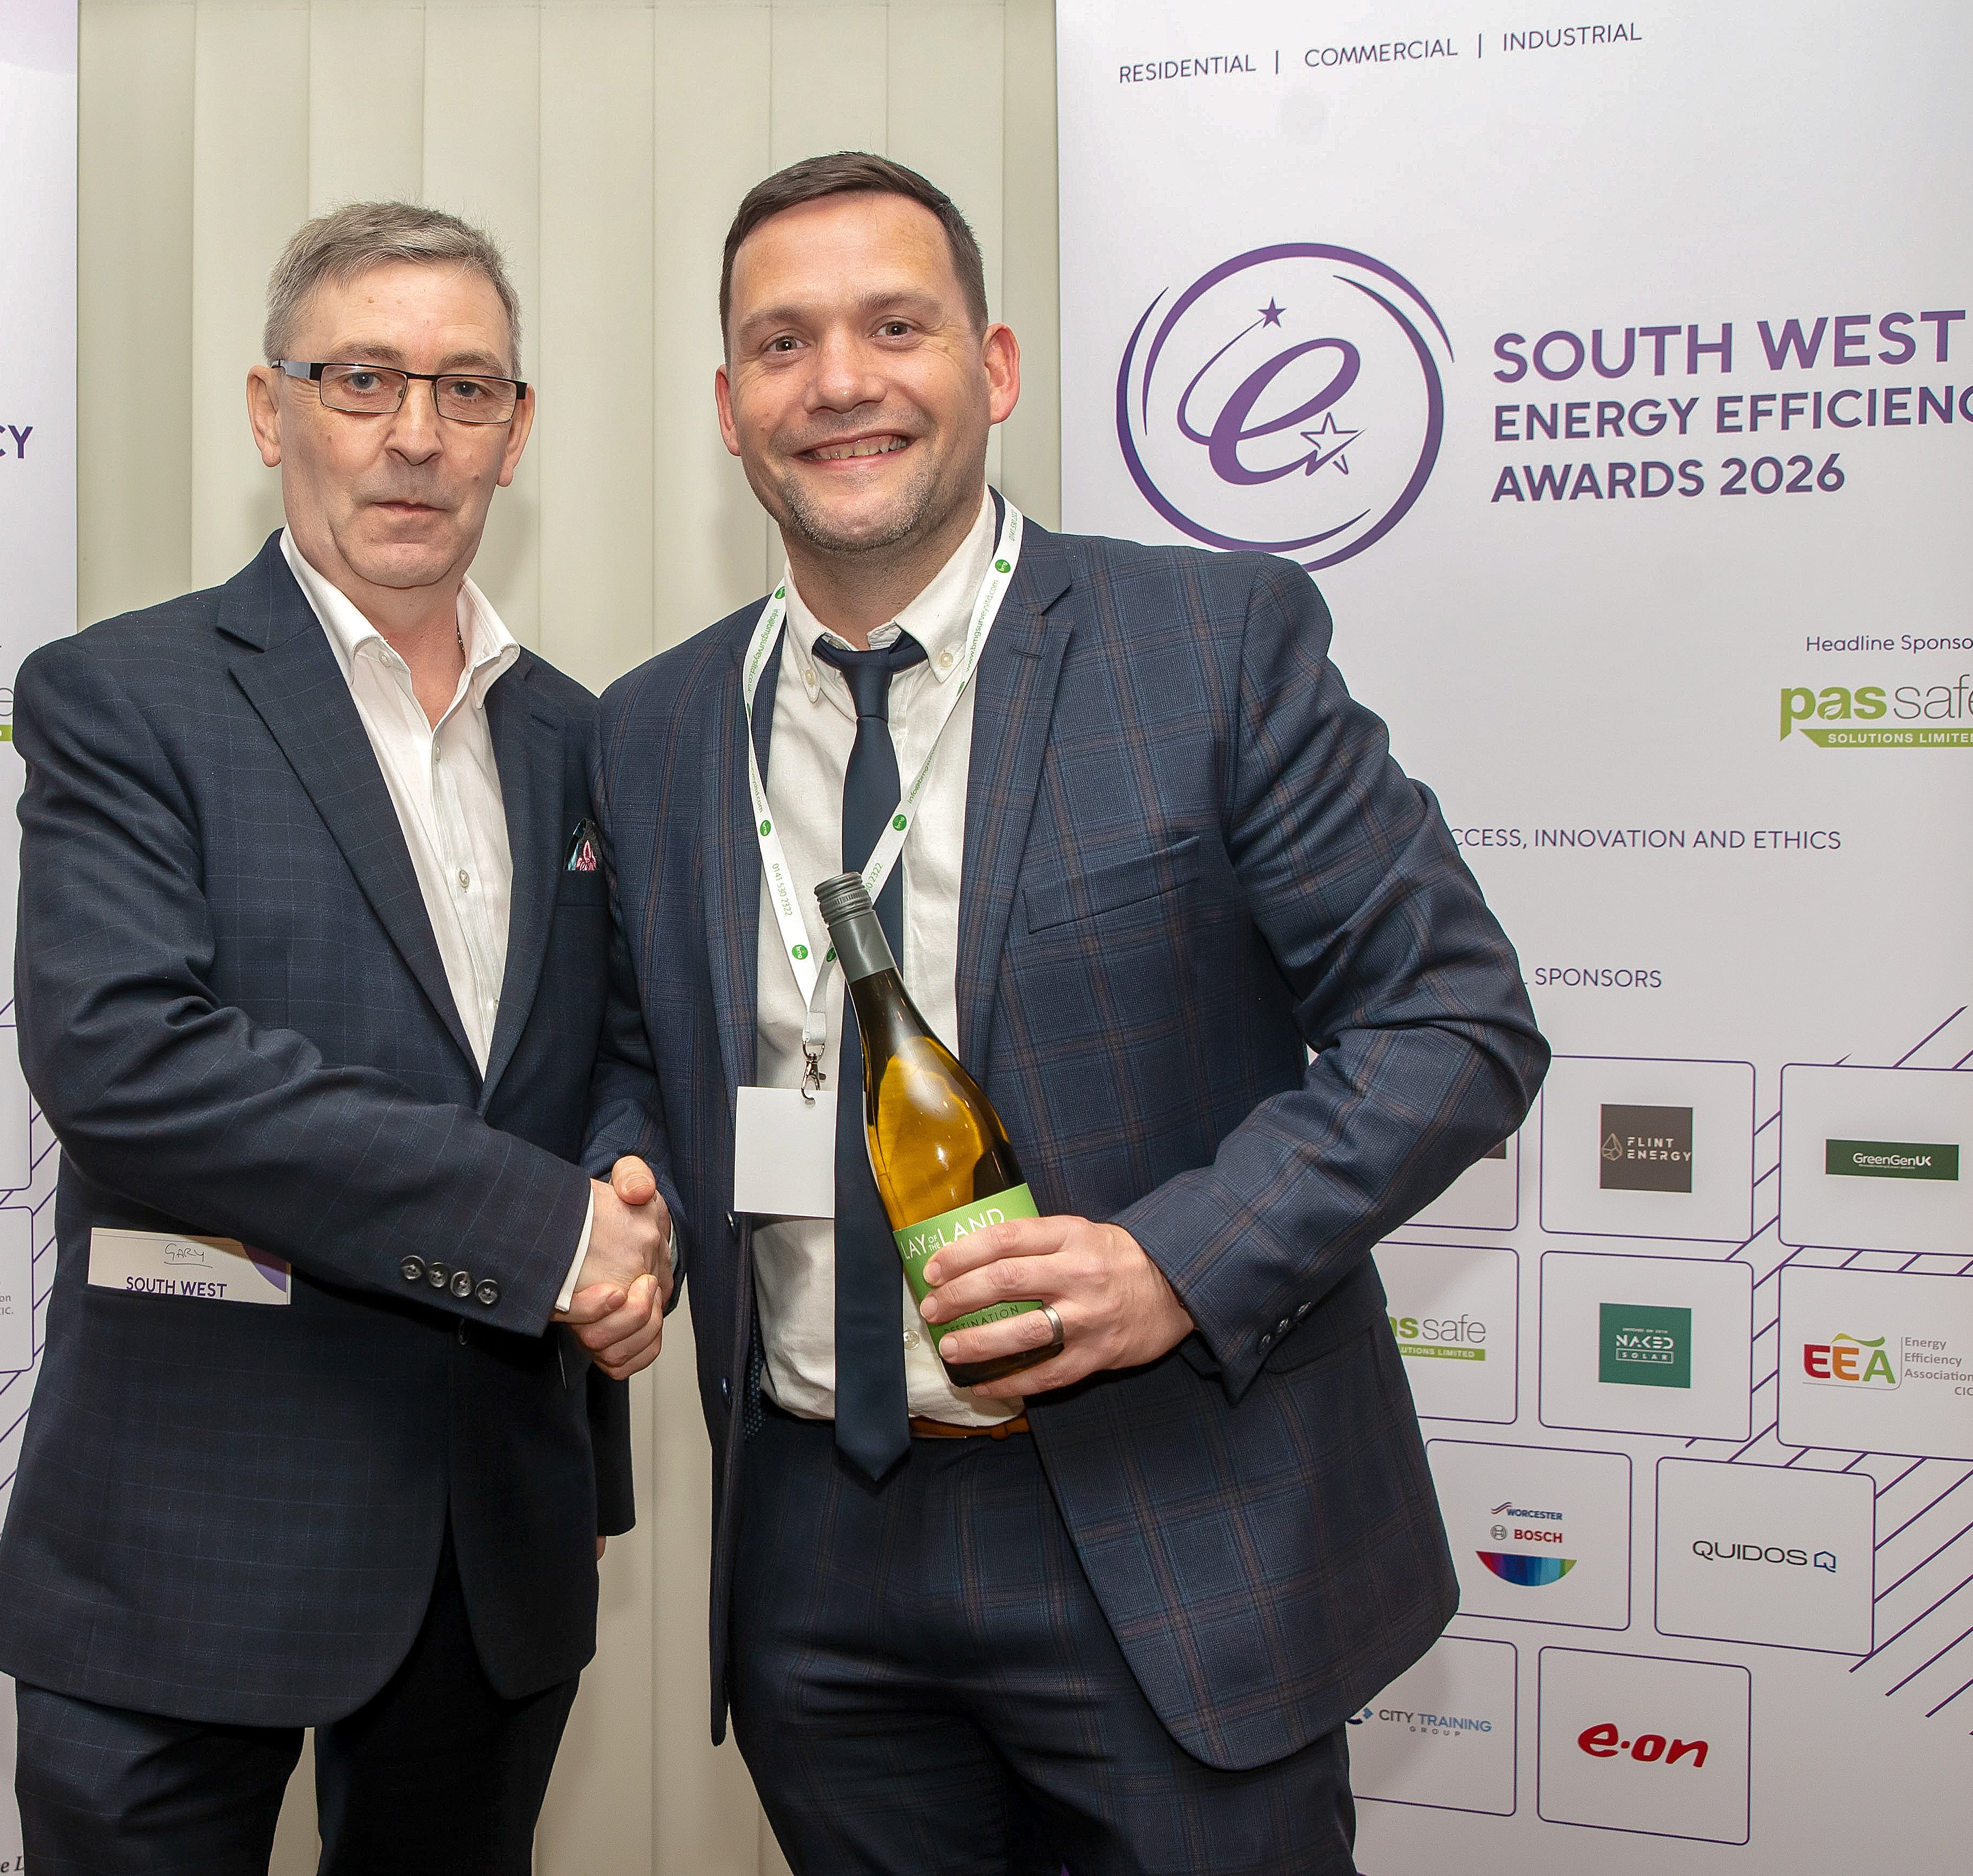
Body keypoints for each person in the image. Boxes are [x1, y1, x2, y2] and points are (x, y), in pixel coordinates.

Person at [594, 153, 1546, 1875]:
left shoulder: (1208, 643)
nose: (841, 382)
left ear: (997, 367)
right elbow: (636, 1057)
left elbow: (1453, 1020)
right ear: (729, 408)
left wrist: (1174, 1264)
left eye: (897, 326)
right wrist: (623, 1189)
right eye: (784, 344)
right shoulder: (653, 728)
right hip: (813, 1555)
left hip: (1163, 1524)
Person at [0, 201, 676, 1876]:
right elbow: (130, 1065)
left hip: (494, 1541)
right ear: (267, 408)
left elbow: (617, 1054)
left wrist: (627, 1208)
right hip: (186, 1532)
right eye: (362, 378)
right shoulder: (124, 695)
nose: (415, 434)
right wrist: (547, 1231)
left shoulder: (588, 737)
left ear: (517, 429)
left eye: (467, 387)